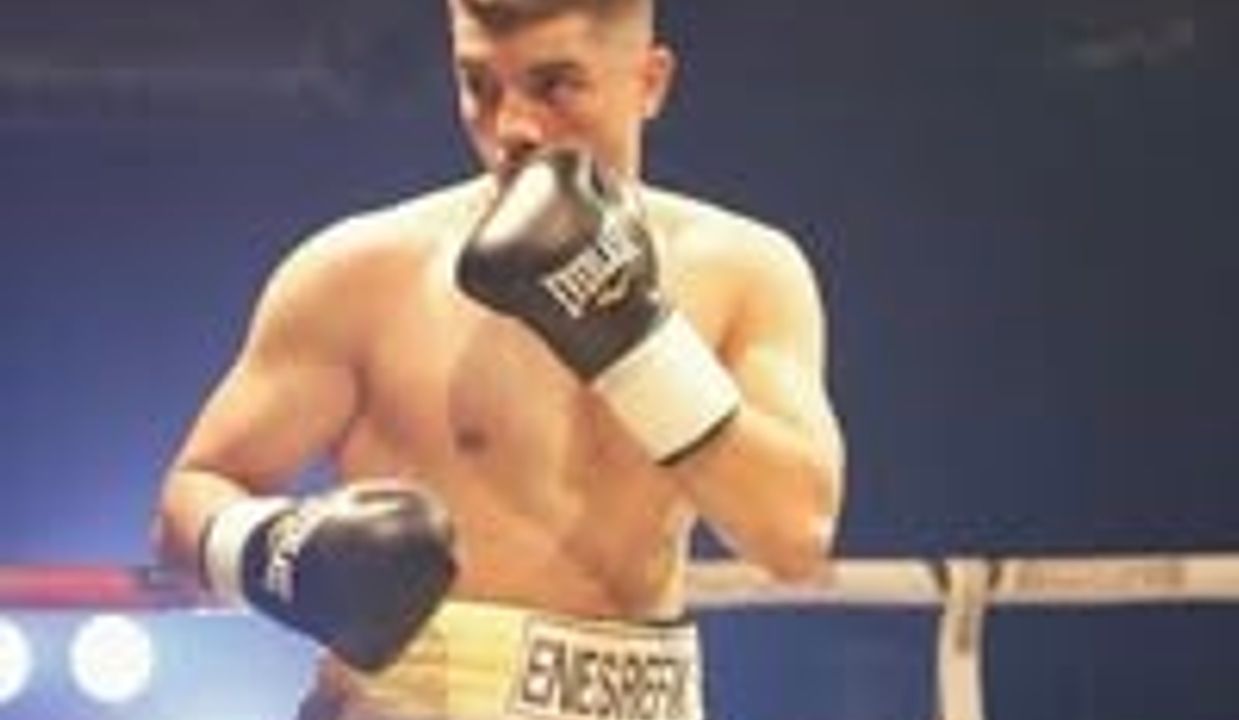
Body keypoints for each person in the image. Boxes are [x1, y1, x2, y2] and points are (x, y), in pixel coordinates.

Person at [152, 0, 846, 717]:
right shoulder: (364, 274)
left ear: (649, 81)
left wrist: (629, 334)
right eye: (479, 86)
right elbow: (189, 496)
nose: (512, 126)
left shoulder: (745, 271)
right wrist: (274, 550)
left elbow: (794, 538)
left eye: (554, 86)